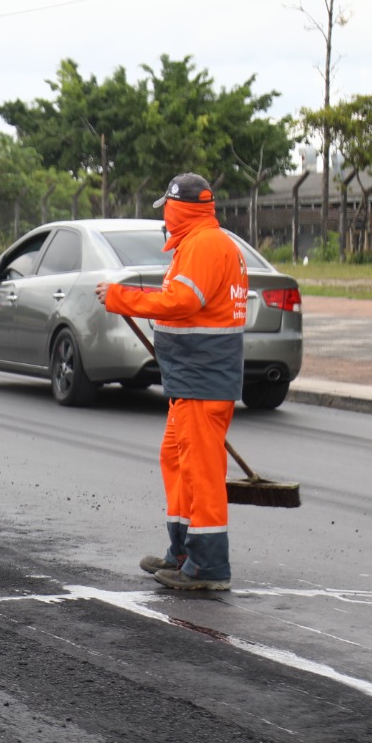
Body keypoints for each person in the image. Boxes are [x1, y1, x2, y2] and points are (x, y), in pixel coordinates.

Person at [95, 172, 248, 592]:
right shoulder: (200, 244)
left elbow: (182, 302)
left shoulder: (203, 245)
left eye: (167, 207)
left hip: (204, 378)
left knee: (201, 470)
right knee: (177, 460)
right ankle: (181, 550)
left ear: (179, 208)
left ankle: (210, 565)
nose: (164, 216)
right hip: (192, 376)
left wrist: (119, 296)